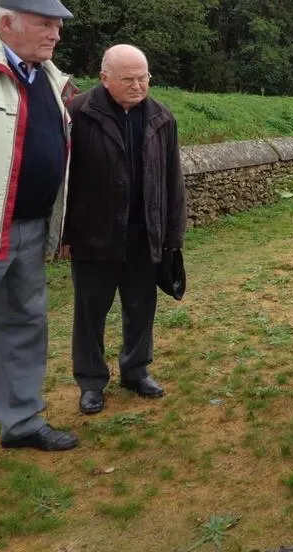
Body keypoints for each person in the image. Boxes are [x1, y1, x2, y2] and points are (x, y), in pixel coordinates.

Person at [0, 0, 79, 492]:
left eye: (58, 26)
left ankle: (22, 421)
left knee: (25, 325)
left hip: (29, 228)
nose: (55, 34)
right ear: (7, 23)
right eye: (45, 24)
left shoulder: (49, 77)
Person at [64, 45, 187, 415]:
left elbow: (173, 179)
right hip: (94, 234)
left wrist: (172, 236)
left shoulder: (162, 117)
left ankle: (136, 371)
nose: (137, 85)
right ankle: (91, 381)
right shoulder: (77, 113)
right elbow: (64, 179)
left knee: (140, 307)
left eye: (143, 78)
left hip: (143, 234)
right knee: (90, 313)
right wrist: (65, 234)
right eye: (128, 79)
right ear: (105, 78)